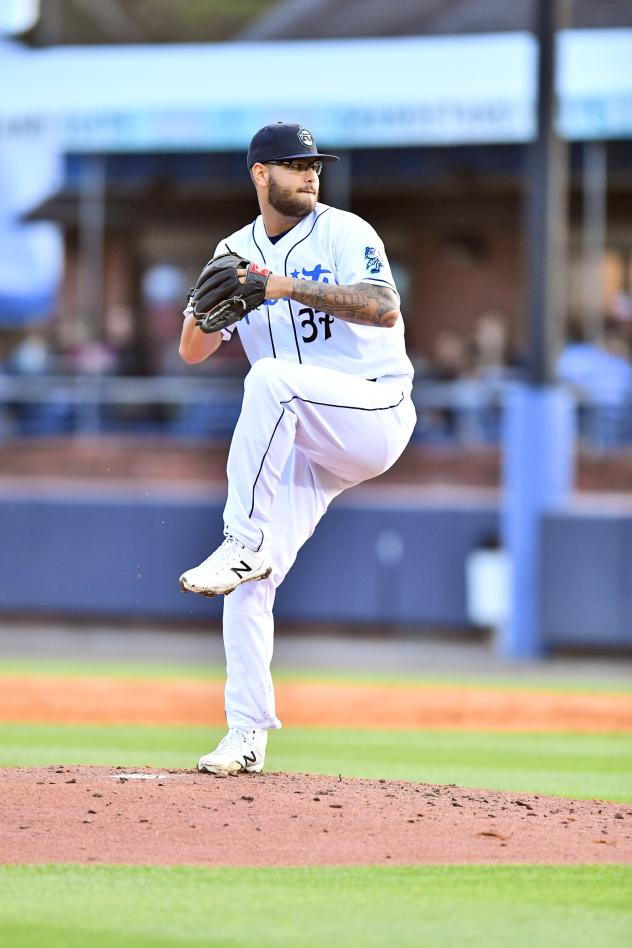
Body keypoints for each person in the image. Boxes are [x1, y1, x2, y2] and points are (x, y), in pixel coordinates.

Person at [178, 122, 417, 775]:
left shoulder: (345, 231)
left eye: (314, 164)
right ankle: (246, 733)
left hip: (373, 410)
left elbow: (383, 307)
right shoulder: (232, 250)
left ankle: (240, 539)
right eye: (293, 165)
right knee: (251, 585)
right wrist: (207, 314)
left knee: (272, 380)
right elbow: (191, 353)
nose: (309, 174)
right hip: (306, 441)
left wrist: (282, 286)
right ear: (260, 174)